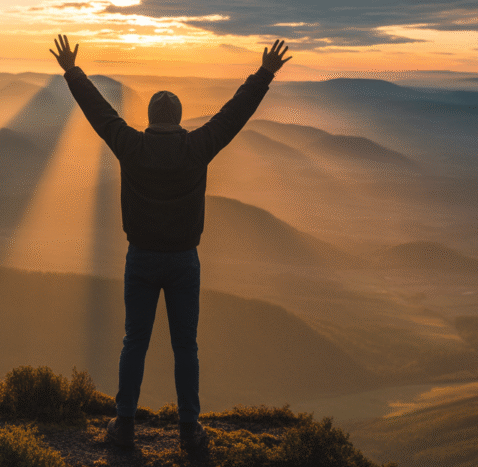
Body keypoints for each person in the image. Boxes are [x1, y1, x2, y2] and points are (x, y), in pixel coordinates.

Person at [50, 34, 291, 450]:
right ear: (179, 119)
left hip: (141, 259)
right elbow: (234, 115)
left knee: (134, 342)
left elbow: (100, 114)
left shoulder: (132, 146)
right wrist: (264, 74)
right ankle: (188, 431)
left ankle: (123, 428)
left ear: (149, 118)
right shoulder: (196, 147)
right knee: (185, 348)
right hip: (183, 262)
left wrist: (72, 71)